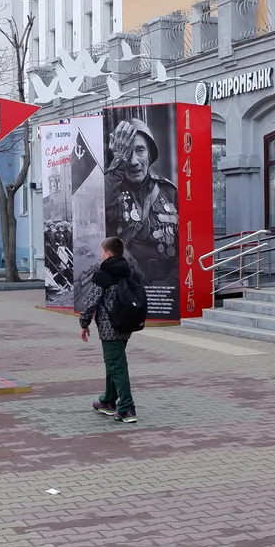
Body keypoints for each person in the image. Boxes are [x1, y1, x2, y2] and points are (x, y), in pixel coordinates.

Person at [106, 117, 179, 285]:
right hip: (124, 289)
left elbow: (184, 246)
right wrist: (117, 160)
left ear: (150, 154)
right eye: (126, 152)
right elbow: (100, 211)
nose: (132, 161)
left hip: (164, 290)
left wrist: (169, 284)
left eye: (140, 150)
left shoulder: (169, 191)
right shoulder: (111, 188)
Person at [77, 236, 140, 424]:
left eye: (102, 251)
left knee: (117, 365)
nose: (101, 254)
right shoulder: (129, 271)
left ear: (109, 253)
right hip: (126, 324)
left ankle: (127, 408)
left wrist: (83, 323)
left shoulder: (103, 274)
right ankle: (108, 401)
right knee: (114, 362)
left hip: (109, 326)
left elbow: (91, 301)